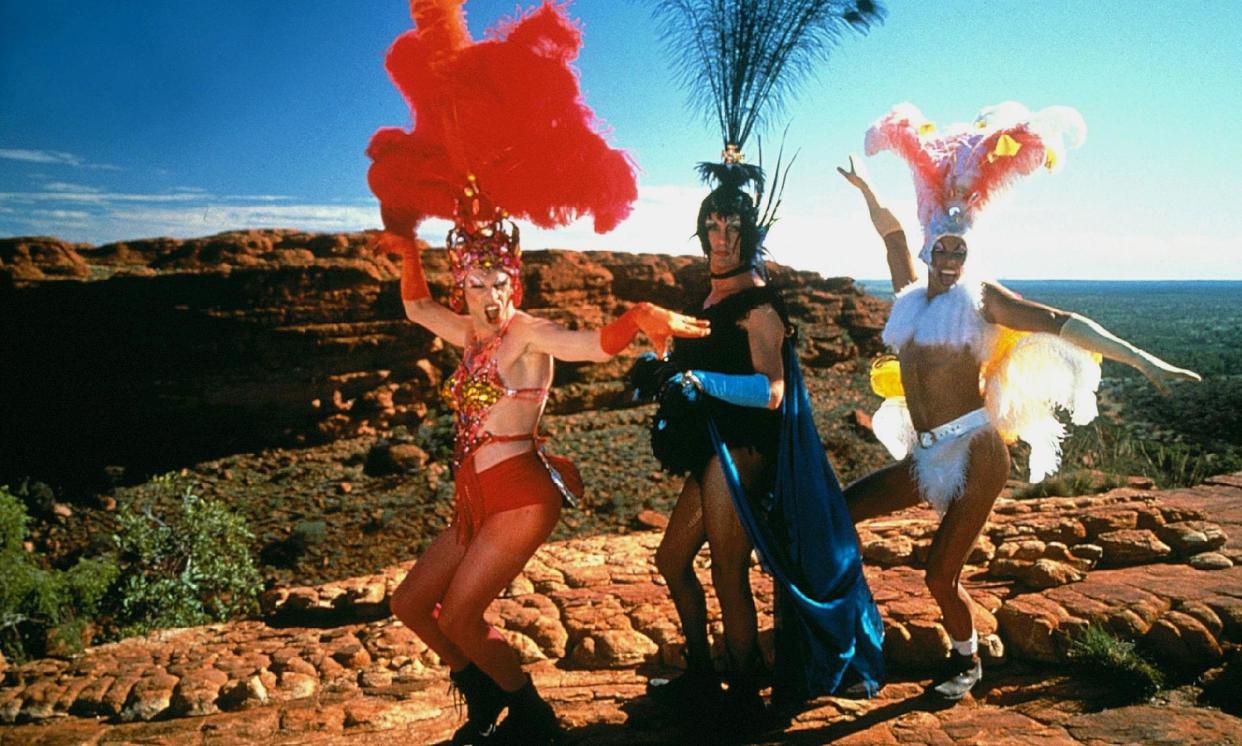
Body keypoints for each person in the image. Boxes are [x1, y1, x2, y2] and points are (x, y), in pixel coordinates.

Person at [365, 3, 708, 742]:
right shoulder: (465, 331)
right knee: (408, 605)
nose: (487, 295)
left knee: (459, 614)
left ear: (513, 283)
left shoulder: (527, 333)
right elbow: (417, 305)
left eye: (497, 283)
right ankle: (484, 693)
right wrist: (406, 245)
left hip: (519, 494)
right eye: (476, 283)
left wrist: (637, 315)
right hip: (472, 495)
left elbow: (590, 344)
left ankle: (531, 718)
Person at [839, 102, 1200, 701]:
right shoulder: (907, 296)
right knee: (836, 518)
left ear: (968, 250)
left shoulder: (982, 300)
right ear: (931, 249)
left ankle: (966, 663)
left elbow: (1061, 320)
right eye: (943, 247)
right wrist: (866, 187)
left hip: (978, 455)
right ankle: (846, 641)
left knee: (938, 574)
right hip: (926, 453)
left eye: (959, 248)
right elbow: (892, 232)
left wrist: (1142, 359)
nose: (950, 256)